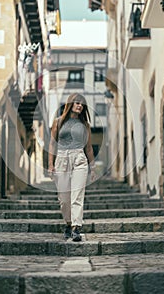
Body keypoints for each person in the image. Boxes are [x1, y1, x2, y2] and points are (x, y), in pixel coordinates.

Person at [48, 93, 96, 242]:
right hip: (62, 159)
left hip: (79, 159)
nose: (80, 105)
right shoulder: (58, 121)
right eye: (77, 103)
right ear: (70, 104)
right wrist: (50, 164)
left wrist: (92, 167)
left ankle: (76, 228)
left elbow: (88, 148)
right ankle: (68, 223)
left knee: (77, 195)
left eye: (82, 104)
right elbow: (52, 144)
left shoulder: (85, 125)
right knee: (63, 198)